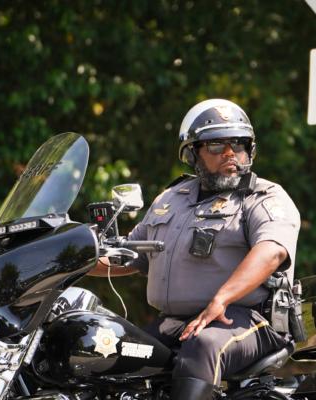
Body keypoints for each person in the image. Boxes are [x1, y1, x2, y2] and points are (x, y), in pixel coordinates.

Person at [90, 99, 300, 399]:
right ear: (193, 153)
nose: (230, 153)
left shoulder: (263, 197)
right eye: (216, 145)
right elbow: (133, 255)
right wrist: (72, 258)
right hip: (178, 322)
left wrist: (221, 299)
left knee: (203, 347)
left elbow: (272, 251)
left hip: (248, 318)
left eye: (238, 145)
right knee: (112, 348)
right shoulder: (171, 198)